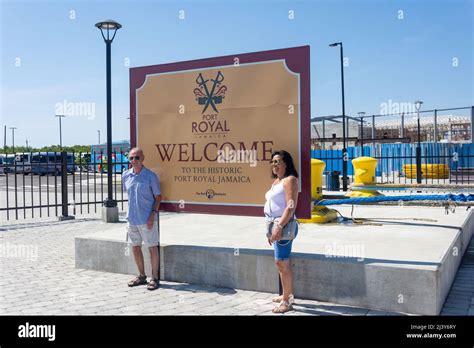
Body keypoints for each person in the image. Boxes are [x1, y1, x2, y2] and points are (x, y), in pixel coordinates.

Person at [264, 150, 299, 313]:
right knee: (280, 262)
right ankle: (286, 294)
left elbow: (290, 206)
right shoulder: (277, 182)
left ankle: (286, 301)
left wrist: (278, 227)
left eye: (277, 161)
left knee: (282, 263)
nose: (274, 164)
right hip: (274, 224)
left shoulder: (289, 180)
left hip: (283, 225)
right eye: (272, 162)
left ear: (286, 163)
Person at [122, 147, 162, 290]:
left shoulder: (151, 176)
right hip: (131, 219)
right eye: (131, 158)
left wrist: (153, 214)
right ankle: (141, 276)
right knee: (135, 247)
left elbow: (158, 197)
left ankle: (155, 278)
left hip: (147, 219)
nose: (134, 160)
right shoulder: (125, 175)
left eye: (137, 157)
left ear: (143, 159)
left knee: (152, 247)